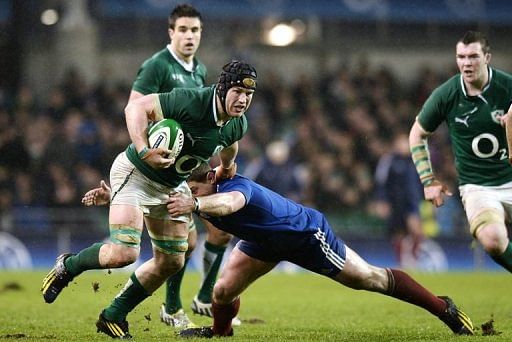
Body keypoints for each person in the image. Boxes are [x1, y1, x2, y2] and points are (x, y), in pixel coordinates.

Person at [83, 162, 474, 337]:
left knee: (368, 279)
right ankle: (220, 335)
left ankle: (444, 307)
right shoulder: (195, 192)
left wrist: (198, 205)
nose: (185, 190)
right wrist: (115, 197)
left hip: (304, 234)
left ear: (207, 182)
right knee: (222, 292)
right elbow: (157, 203)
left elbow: (229, 206)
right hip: (262, 243)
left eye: (192, 186)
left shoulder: (231, 190)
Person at [41, 60, 258, 339]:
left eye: (248, 95)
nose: (242, 100)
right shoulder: (190, 101)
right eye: (237, 92)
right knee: (124, 254)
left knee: (172, 262)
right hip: (137, 173)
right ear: (222, 88)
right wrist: (144, 150)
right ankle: (67, 266)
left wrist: (227, 167)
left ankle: (113, 315)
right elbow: (134, 107)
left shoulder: (237, 123)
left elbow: (230, 143)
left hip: (171, 185)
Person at [126, 3, 237, 328]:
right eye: (184, 30)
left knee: (221, 229)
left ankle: (204, 297)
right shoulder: (157, 66)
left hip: (191, 163)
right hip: (161, 167)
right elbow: (135, 108)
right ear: (171, 32)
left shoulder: (198, 70)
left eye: (195, 30)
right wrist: (148, 148)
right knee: (183, 244)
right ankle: (173, 306)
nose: (190, 36)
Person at [409, 30, 512, 273]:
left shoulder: (507, 87)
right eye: (461, 57)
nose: (466, 63)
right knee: (493, 238)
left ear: (487, 58)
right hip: (478, 186)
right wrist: (427, 179)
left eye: (473, 56)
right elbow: (417, 134)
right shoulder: (447, 94)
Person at [373, 132, 447, 270]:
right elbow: (381, 181)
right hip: (395, 204)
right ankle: (402, 262)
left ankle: (412, 258)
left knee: (416, 231)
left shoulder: (416, 161)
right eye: (401, 142)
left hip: (413, 203)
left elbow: (423, 181)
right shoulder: (389, 160)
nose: (404, 146)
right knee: (398, 235)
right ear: (395, 144)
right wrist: (381, 200)